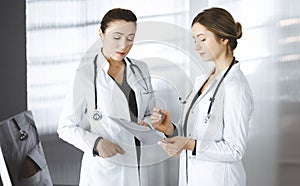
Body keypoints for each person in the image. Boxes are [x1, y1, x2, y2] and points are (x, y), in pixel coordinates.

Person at [151, 7, 254, 186]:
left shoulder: (235, 87)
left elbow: (235, 150)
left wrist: (189, 145)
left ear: (223, 39)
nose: (197, 46)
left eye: (202, 39)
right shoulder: (203, 80)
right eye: (195, 40)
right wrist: (170, 129)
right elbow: (195, 132)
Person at [57, 8, 155, 185]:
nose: (123, 45)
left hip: (139, 162)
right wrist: (96, 143)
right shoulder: (85, 75)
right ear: (101, 34)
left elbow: (149, 112)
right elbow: (65, 127)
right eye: (116, 37)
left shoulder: (141, 69)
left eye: (130, 38)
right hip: (105, 171)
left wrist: (150, 122)